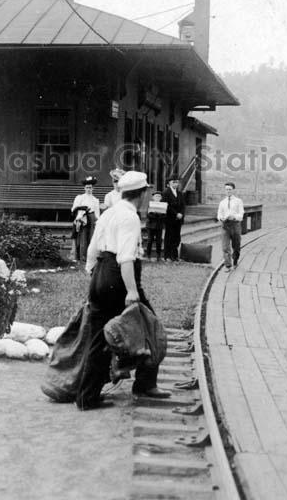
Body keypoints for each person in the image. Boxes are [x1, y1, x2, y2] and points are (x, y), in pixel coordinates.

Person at [77, 171, 171, 409]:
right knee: (150, 327)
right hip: (120, 279)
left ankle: (87, 397)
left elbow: (92, 248)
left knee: (98, 339)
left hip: (101, 274)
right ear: (141, 194)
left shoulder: (109, 213)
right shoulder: (130, 218)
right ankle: (145, 384)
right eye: (147, 192)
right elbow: (126, 258)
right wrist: (131, 291)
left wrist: (93, 274)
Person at [71, 176, 100, 262]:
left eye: (90, 188)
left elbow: (97, 213)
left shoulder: (95, 200)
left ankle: (90, 257)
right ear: (84, 188)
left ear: (93, 188)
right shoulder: (80, 197)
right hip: (82, 218)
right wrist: (79, 217)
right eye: (87, 187)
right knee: (82, 238)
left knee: (91, 237)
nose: (88, 189)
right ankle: (82, 257)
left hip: (92, 219)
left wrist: (97, 221)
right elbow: (74, 209)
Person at [217, 182, 244, 270]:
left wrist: (234, 217)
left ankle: (235, 261)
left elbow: (241, 214)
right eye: (226, 189)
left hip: (235, 225)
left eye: (230, 189)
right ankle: (228, 265)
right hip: (225, 226)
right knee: (225, 246)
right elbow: (219, 214)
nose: (228, 191)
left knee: (236, 246)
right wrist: (221, 218)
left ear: (233, 190)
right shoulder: (222, 202)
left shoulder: (238, 201)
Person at [161, 176, 186, 261]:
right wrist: (176, 214)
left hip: (178, 220)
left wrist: (181, 214)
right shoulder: (166, 193)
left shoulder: (180, 193)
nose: (175, 184)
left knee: (176, 237)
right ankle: (167, 256)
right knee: (169, 237)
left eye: (177, 182)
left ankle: (174, 256)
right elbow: (166, 205)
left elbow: (183, 205)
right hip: (170, 218)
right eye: (173, 182)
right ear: (169, 184)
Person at [144, 191, 166, 260]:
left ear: (161, 198)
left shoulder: (163, 205)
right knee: (150, 240)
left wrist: (157, 214)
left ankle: (158, 255)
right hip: (151, 225)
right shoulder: (150, 204)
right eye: (156, 196)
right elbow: (148, 214)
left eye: (159, 196)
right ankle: (148, 254)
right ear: (153, 197)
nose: (157, 197)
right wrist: (157, 214)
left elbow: (164, 215)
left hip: (159, 225)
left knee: (158, 241)